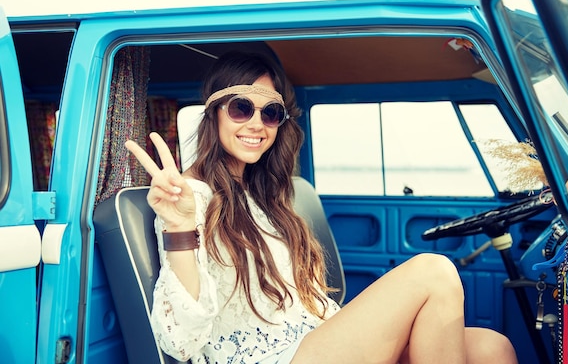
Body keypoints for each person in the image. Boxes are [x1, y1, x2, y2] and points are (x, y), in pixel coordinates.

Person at [125, 50, 518, 364]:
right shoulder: (187, 199)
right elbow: (181, 339)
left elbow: (303, 300)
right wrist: (179, 227)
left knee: (491, 349)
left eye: (271, 112)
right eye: (241, 108)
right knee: (433, 271)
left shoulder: (267, 196)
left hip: (310, 340)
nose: (256, 124)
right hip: (265, 358)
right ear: (213, 113)